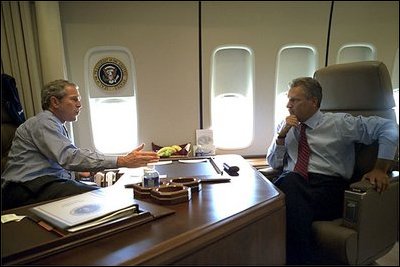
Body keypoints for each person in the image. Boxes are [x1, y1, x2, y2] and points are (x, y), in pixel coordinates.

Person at [266, 77, 398, 265]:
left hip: (328, 189)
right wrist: (281, 136)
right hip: (293, 184)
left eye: (295, 100)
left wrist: (380, 168)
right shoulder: (285, 126)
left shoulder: (339, 123)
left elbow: (389, 127)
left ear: (314, 102)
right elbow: (274, 163)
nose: (288, 105)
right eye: (288, 99)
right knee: (286, 184)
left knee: (283, 191)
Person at [1, 79, 159, 210]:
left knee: (101, 196)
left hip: (40, 185)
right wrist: (121, 161)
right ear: (55, 102)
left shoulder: (55, 124)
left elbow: (54, 162)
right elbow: (69, 157)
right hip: (23, 189)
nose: (79, 105)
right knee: (100, 198)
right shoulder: (43, 122)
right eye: (74, 99)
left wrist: (78, 173)